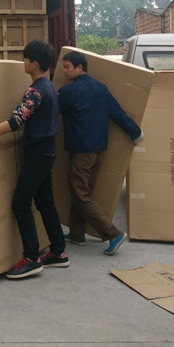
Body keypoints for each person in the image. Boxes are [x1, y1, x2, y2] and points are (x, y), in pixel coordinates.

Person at [0, 40, 67, 280]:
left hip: (38, 154)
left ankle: (32, 258)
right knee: (45, 203)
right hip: (48, 151)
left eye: (25, 59)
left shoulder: (35, 91)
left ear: (34, 63)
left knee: (20, 203)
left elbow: (15, 122)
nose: (23, 62)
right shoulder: (49, 87)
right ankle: (58, 252)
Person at [58, 52, 144, 256]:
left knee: (80, 194)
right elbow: (117, 113)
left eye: (68, 66)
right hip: (97, 151)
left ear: (80, 68)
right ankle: (77, 234)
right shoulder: (101, 88)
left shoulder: (69, 91)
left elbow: (51, 113)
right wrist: (136, 133)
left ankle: (112, 233)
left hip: (81, 151)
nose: (64, 71)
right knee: (82, 192)